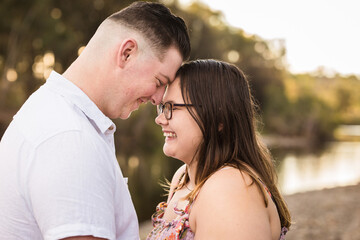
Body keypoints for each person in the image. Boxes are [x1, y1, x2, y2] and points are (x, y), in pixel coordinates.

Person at [0, 2, 190, 240]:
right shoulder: (70, 139)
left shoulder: (50, 112)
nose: (158, 98)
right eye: (159, 81)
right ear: (127, 53)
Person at [147, 59, 291, 240]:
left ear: (217, 119)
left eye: (171, 107)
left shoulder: (231, 188)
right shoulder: (183, 177)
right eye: (162, 107)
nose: (160, 119)